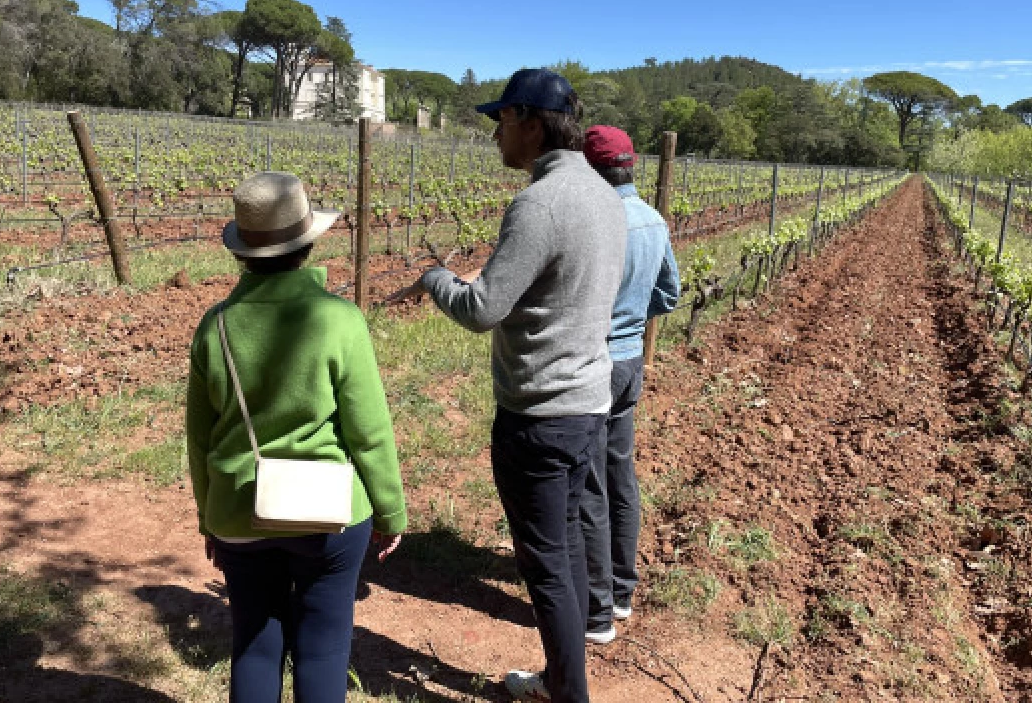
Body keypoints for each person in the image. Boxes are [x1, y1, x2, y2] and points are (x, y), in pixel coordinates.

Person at [389, 69, 627, 703]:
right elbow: (556, 292)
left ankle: (567, 694)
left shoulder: (539, 203)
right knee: (568, 553)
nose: (496, 135)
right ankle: (560, 679)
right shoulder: (603, 194)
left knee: (545, 566)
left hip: (539, 416)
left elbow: (481, 310)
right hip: (588, 406)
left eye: (501, 121)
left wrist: (435, 277)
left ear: (529, 120)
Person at [186, 171, 406, 703]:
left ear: (242, 252)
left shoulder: (214, 326)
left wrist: (208, 518)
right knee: (324, 649)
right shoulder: (339, 320)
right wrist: (391, 511)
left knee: (255, 646)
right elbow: (369, 431)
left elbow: (199, 440)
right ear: (306, 245)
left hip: (239, 510)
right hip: (329, 515)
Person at [579, 126, 680, 645]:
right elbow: (670, 292)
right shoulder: (652, 219)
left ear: (592, 168)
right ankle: (622, 591)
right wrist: (634, 318)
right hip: (630, 361)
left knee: (589, 482)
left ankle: (595, 610)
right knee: (620, 473)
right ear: (630, 166)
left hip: (592, 363)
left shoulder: (597, 219)